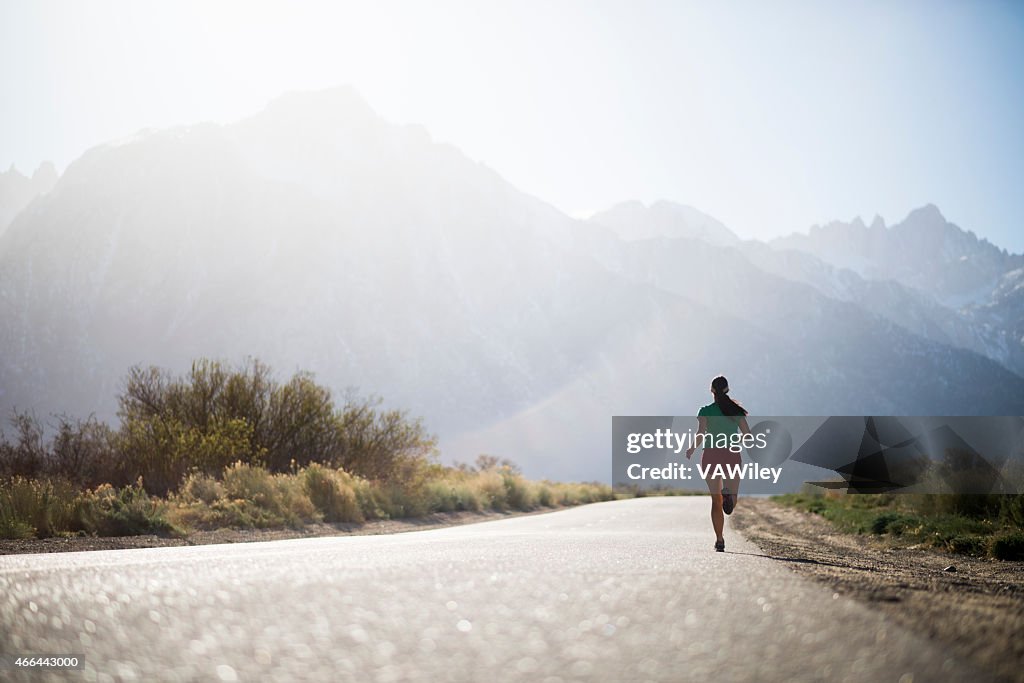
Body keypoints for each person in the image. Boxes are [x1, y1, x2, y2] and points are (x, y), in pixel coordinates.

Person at [685, 375, 750, 552]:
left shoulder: (705, 411)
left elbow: (700, 433)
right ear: (727, 390)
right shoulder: (736, 411)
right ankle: (729, 496)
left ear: (711, 390)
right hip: (731, 454)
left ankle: (720, 540)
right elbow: (747, 435)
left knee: (715, 501)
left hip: (711, 455)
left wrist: (691, 449)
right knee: (732, 497)